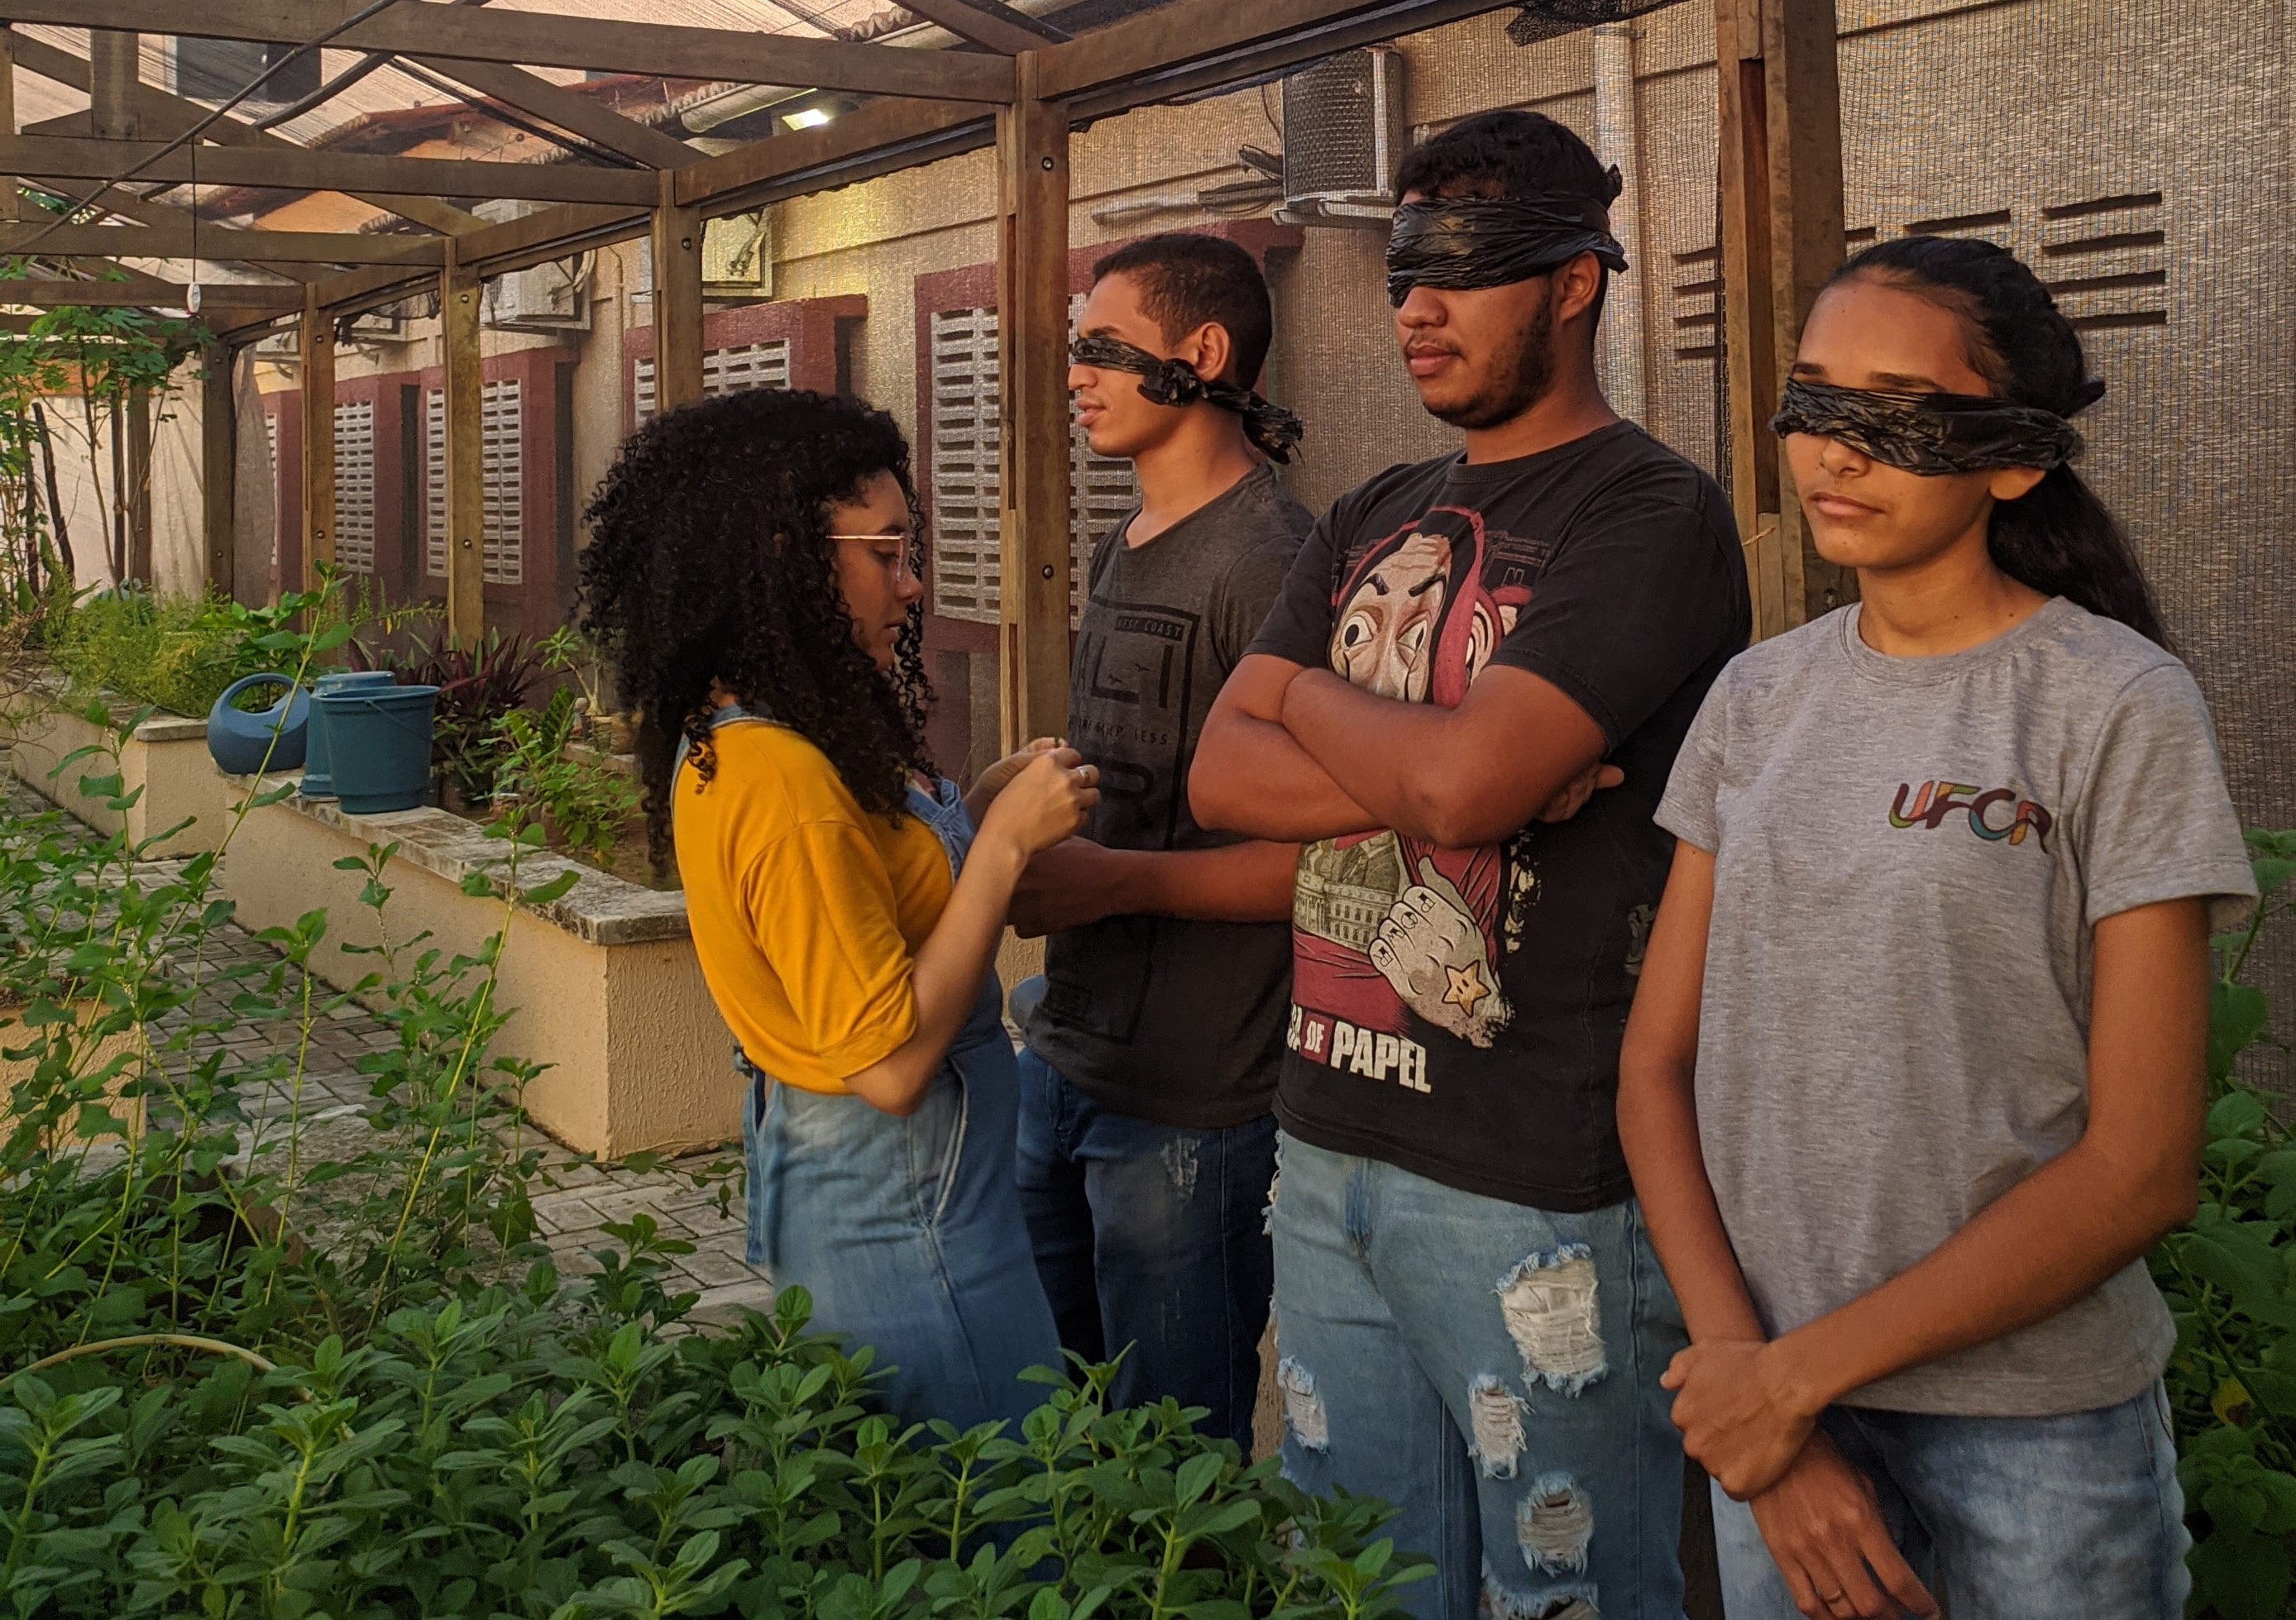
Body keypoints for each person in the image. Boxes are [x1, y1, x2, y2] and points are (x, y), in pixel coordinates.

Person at [1617, 235, 2257, 1620]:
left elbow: (2142, 1166)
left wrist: (1786, 1383)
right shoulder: (1754, 700)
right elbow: (1655, 1067)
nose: (1836, 449)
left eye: (1894, 411)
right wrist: (1755, 1395)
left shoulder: (2113, 704)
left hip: (2035, 1438)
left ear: (2013, 457)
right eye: (1812, 400)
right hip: (1776, 1411)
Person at [1189, 111, 1749, 1620]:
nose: (1414, 306)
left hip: (1535, 1182)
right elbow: (1220, 770)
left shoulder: (1651, 513)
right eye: (1397, 272)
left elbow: (1461, 781)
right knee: (1354, 1581)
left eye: (1463, 269)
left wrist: (1308, 697)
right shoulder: (1377, 507)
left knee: (1563, 1591)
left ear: (1575, 281)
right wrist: (1400, 745)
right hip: (1323, 1142)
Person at [578, 387, 1098, 1434]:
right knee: (1000, 1520)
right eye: (887, 552)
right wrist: (998, 851)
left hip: (881, 1191)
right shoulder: (779, 779)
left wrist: (982, 804)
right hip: (899, 1205)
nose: (910, 586)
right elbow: (893, 1068)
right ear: (788, 555)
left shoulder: (765, 725)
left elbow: (874, 893)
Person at [1008, 233, 1313, 1449]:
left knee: (1173, 1470)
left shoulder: (1275, 561)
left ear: (1201, 355)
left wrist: (1106, 879)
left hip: (1194, 1106)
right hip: (1063, 1056)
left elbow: (1323, 861)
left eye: (1099, 345)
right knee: (1058, 1435)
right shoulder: (1117, 545)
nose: (1073, 374)